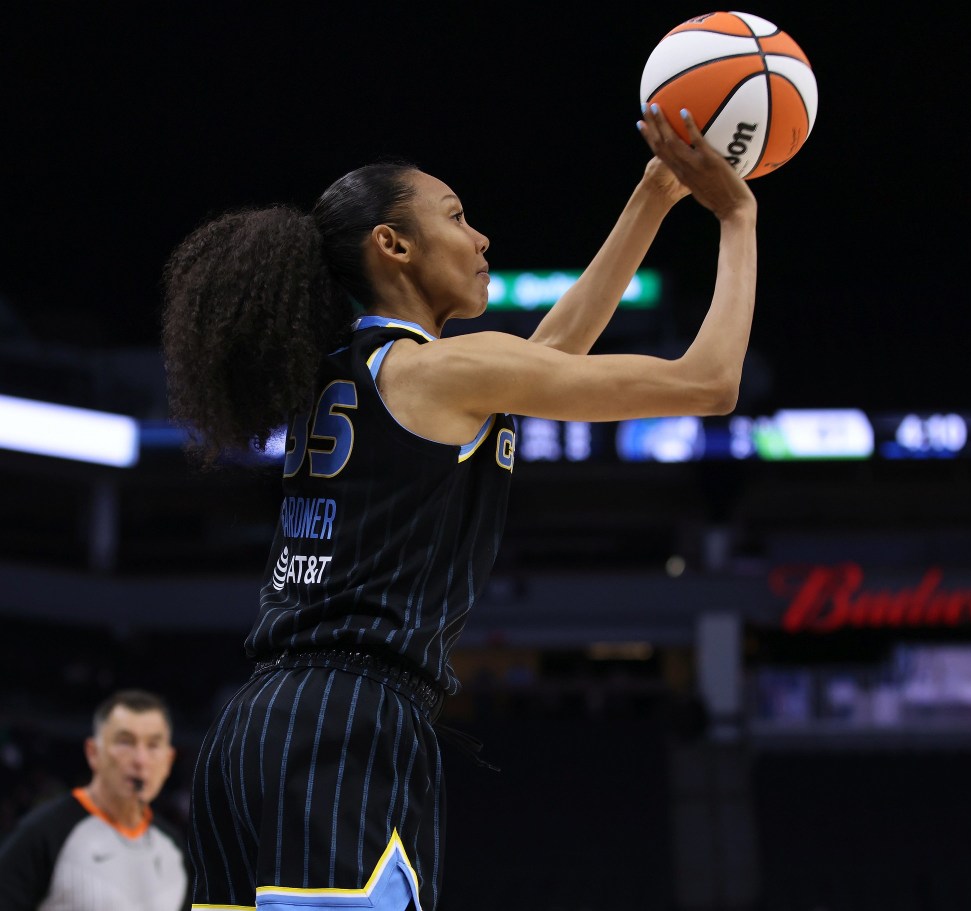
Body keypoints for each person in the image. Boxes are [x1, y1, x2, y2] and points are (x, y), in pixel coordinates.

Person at [161, 104, 757, 911]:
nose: (480, 239)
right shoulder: (437, 373)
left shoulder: (354, 368)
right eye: (456, 216)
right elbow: (710, 382)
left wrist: (652, 196)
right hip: (352, 722)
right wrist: (737, 217)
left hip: (254, 726)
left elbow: (543, 361)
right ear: (392, 245)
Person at [0, 689, 190, 911]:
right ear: (93, 753)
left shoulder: (173, 847)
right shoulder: (45, 834)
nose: (140, 760)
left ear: (168, 760)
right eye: (125, 742)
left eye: (153, 745)